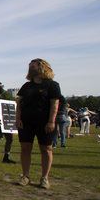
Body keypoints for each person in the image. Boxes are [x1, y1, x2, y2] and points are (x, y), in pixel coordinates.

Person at [15, 59, 61, 189]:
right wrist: (18, 119)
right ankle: (25, 176)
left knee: (46, 149)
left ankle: (44, 178)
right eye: (30, 67)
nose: (31, 69)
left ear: (42, 68)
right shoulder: (27, 86)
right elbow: (19, 105)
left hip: (44, 121)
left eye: (33, 67)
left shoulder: (52, 85)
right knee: (25, 148)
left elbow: (54, 104)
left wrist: (51, 121)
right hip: (26, 121)